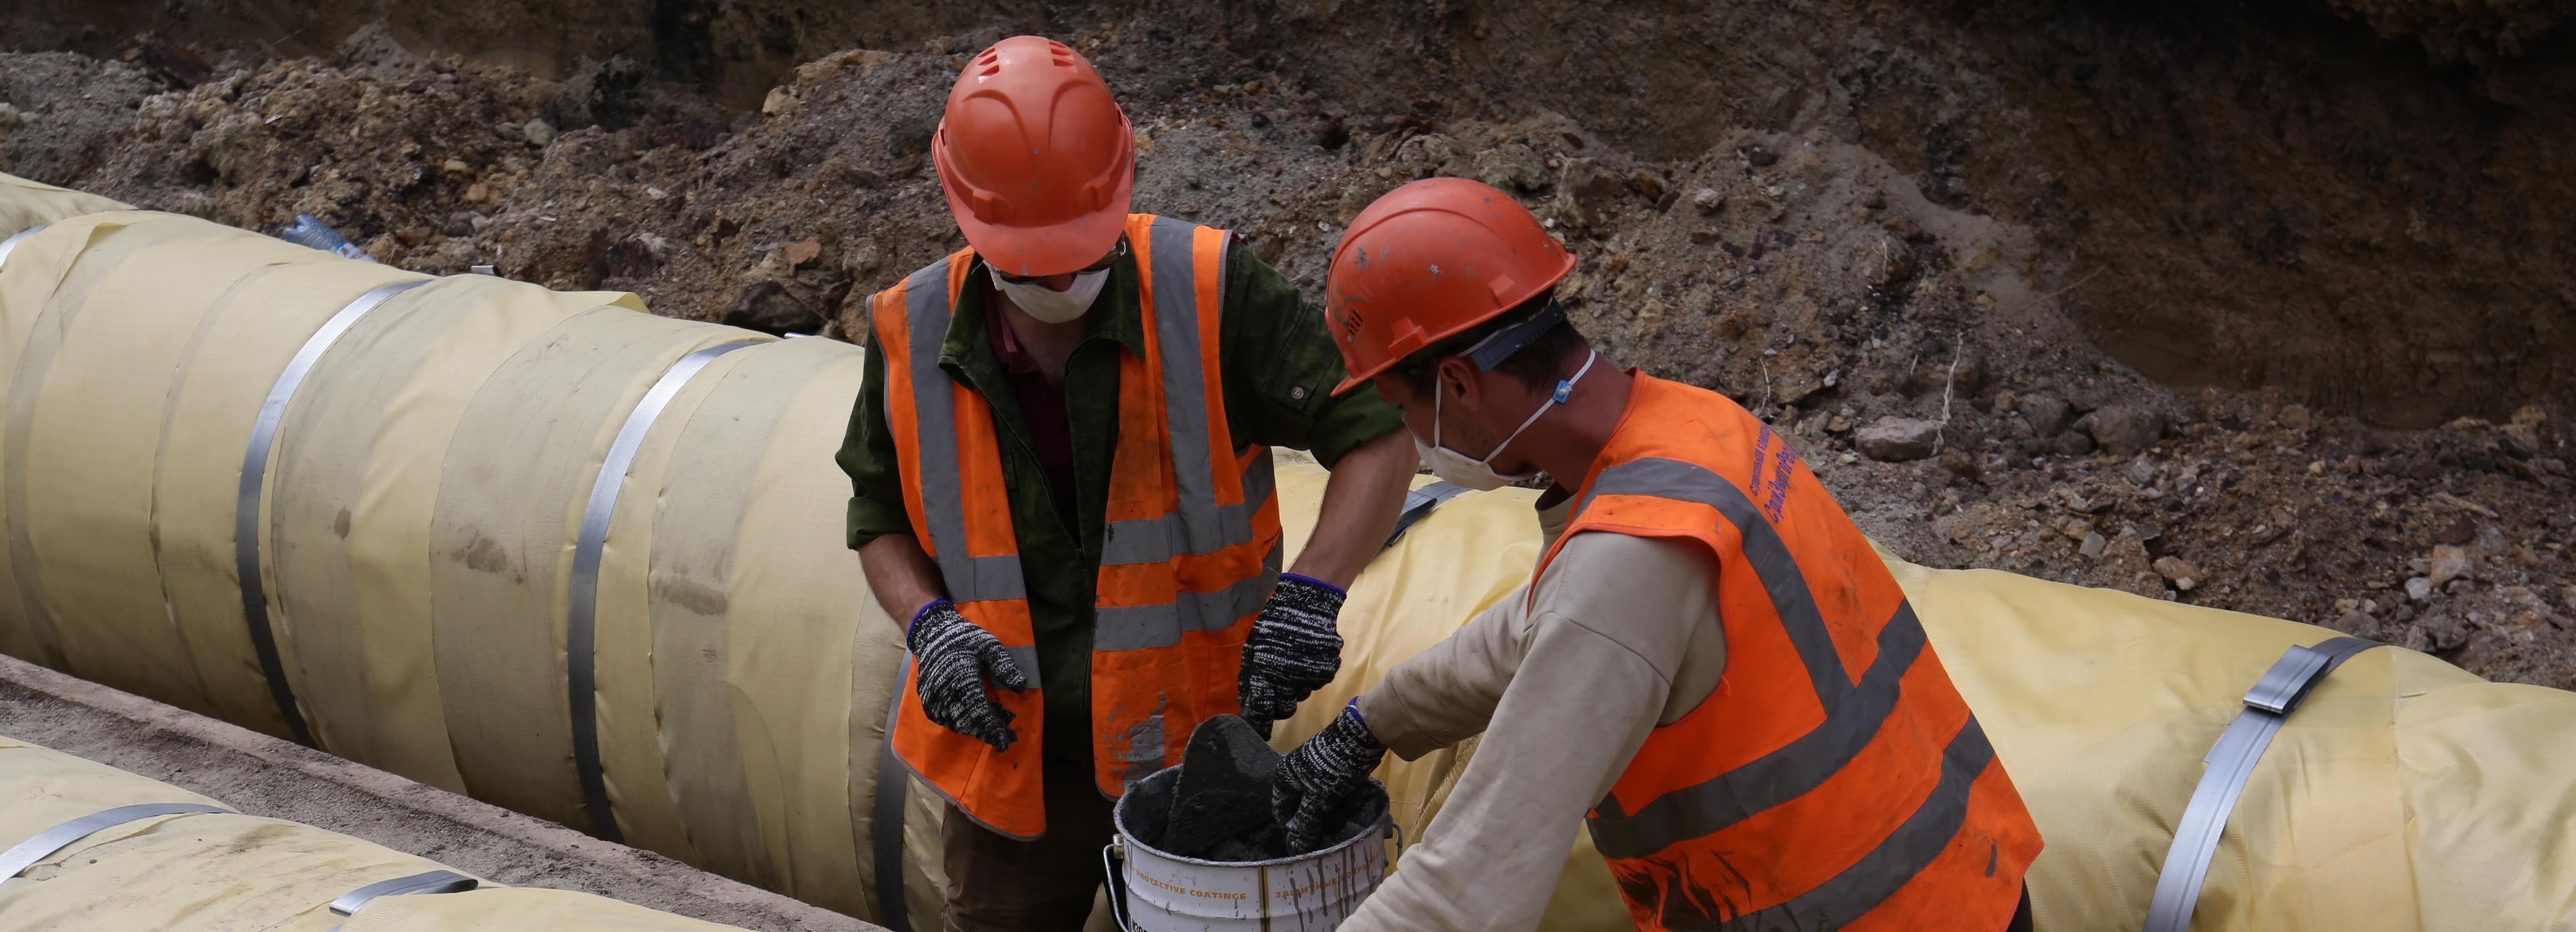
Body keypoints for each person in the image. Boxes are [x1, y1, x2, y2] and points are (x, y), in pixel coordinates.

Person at [1273, 177, 2043, 931]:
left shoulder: (1625, 564)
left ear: (1456, 383)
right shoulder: (1698, 427)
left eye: (1405, 409)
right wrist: (1372, 723)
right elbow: (1556, 622)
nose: (1416, 438)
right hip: (1960, 882)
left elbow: (1466, 887)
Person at [835, 36, 1416, 932]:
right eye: (1034, 262)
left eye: (1083, 248)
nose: (1063, 278)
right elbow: (876, 513)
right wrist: (929, 622)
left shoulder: (1209, 290)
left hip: (1198, 748)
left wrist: (1313, 591)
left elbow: (1377, 436)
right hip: (1011, 759)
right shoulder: (907, 328)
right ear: (966, 214)